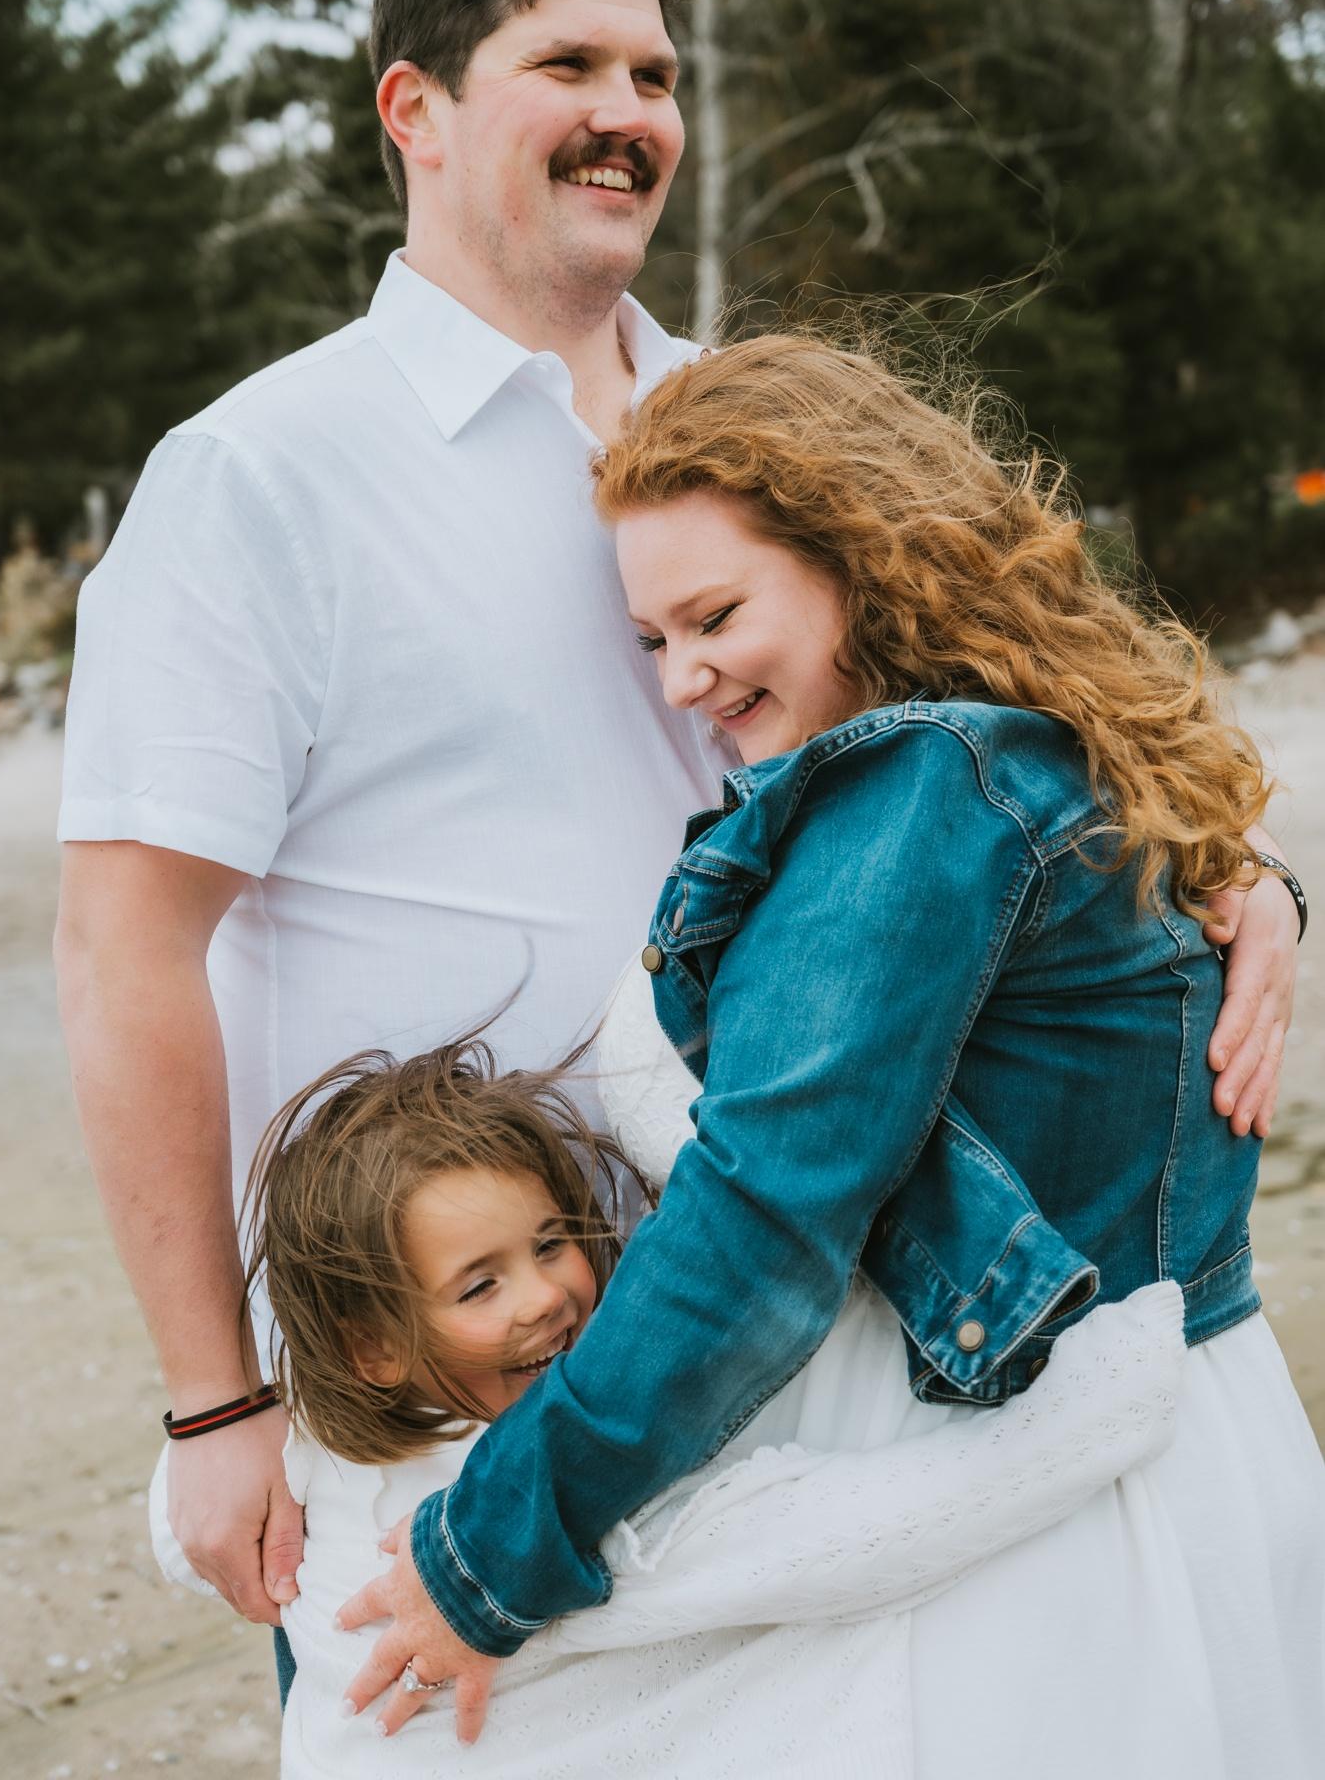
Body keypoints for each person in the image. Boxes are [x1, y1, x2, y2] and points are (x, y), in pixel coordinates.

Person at [54, 0, 1295, 1675]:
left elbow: (1016, 713)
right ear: (415, 107)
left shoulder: (744, 431)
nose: (625, 110)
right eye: (564, 66)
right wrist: (214, 1406)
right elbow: (125, 948)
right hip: (481, 1367)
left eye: (651, 72)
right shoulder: (260, 478)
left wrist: (1226, 873)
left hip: (821, 1330)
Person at [339, 333, 1324, 1777]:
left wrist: (490, 1554)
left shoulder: (915, 790)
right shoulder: (1036, 751)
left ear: (861, 551)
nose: (683, 679)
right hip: (1158, 1456)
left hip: (1030, 1538)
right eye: (653, 640)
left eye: (715, 613)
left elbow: (766, 1209)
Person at [151, 1036, 1187, 1778]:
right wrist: (1120, 1388)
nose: (545, 1296)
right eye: (479, 1285)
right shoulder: (563, 1506)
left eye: (550, 1241)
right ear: (371, 1347)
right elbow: (856, 1536)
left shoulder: (306, 1457)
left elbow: (174, 1517)